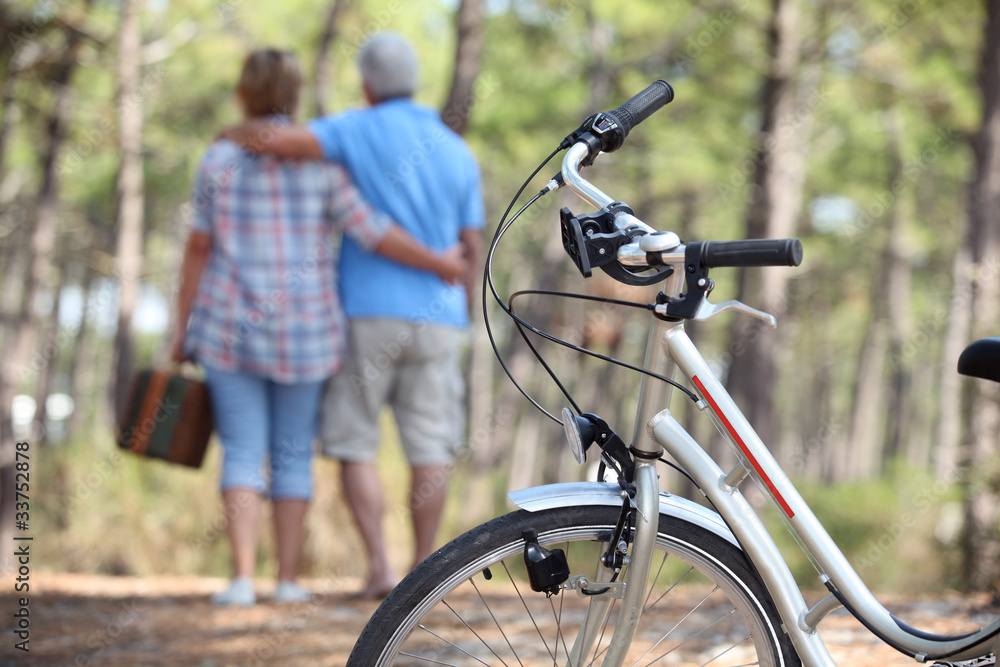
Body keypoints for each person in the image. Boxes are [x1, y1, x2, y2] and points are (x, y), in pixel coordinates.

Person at [172, 48, 466, 606]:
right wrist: (440, 264)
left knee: (240, 449)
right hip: (306, 329)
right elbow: (372, 229)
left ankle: (239, 579)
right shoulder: (322, 161)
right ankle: (286, 581)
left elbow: (197, 246)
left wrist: (179, 329)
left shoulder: (218, 159)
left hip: (228, 324)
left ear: (243, 91)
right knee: (291, 453)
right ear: (296, 92)